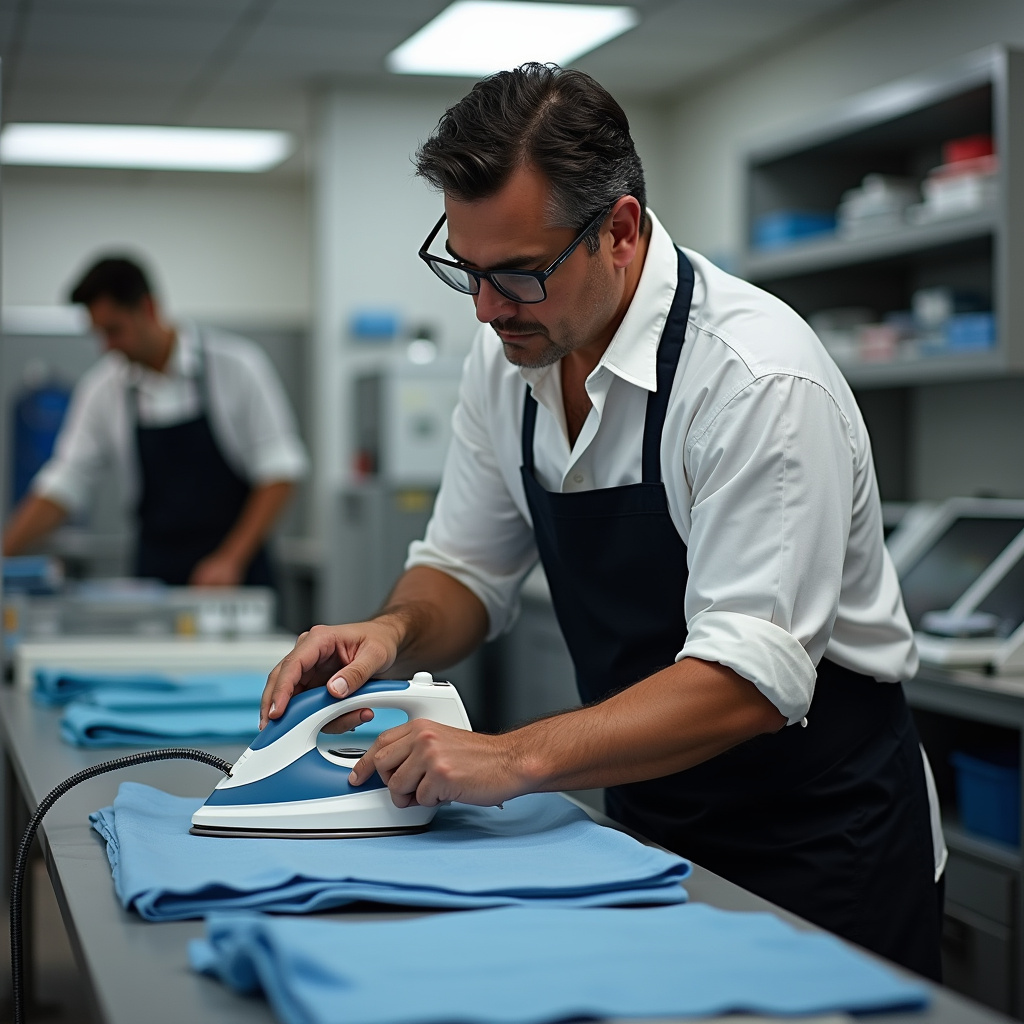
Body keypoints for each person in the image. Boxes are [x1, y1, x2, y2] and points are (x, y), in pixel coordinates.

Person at [261, 64, 944, 978]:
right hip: (652, 826)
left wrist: (508, 757)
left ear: (618, 232)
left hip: (821, 844)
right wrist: (390, 629)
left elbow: (747, 678)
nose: (487, 307)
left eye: (518, 275)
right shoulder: (508, 356)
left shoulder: (754, 379)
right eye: (465, 270)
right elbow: (463, 569)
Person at [3, 256, 308, 586]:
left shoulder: (236, 366)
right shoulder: (103, 390)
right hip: (156, 577)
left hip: (238, 577)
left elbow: (280, 469)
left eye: (114, 330)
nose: (107, 346)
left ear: (147, 309)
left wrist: (230, 558)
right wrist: (5, 552)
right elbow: (65, 482)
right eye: (99, 334)